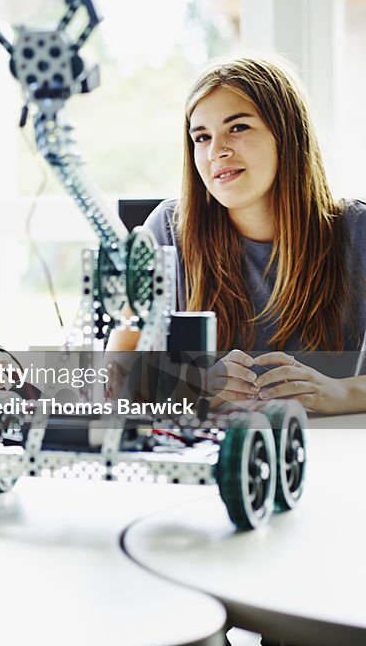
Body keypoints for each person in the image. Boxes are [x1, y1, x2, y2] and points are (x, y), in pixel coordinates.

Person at [118, 55, 366, 413]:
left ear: (287, 133)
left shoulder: (356, 232)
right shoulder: (167, 231)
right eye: (201, 137)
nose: (217, 151)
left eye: (238, 128)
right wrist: (191, 386)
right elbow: (116, 373)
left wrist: (338, 393)